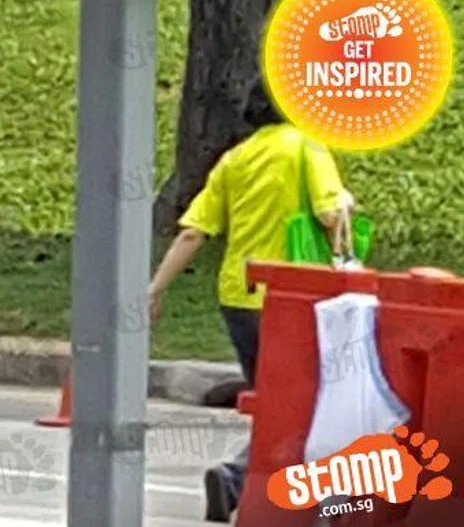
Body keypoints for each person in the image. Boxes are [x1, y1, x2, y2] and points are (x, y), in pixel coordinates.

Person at [148, 79, 348, 522]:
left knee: (274, 401)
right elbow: (331, 214)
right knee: (303, 399)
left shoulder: (234, 160)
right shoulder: (306, 147)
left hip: (238, 298)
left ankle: (259, 483)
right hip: (293, 298)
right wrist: (345, 220)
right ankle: (243, 478)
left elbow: (193, 232)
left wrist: (155, 289)